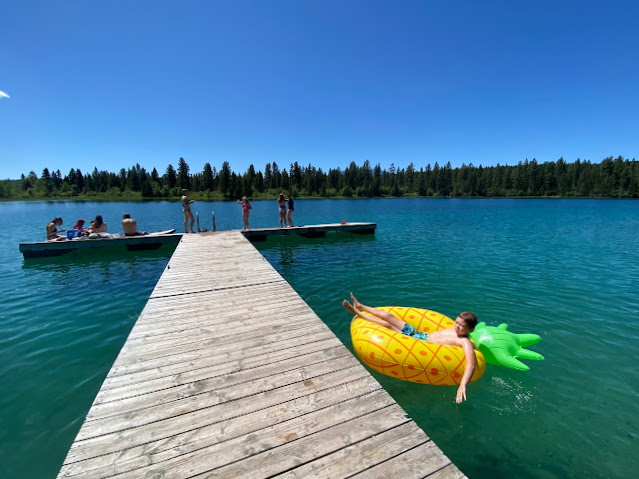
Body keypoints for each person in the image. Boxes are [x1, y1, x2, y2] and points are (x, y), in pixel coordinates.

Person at [343, 293, 478, 404]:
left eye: (461, 326)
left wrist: (462, 384)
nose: (456, 326)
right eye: (457, 322)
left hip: (418, 342)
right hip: (418, 334)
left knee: (386, 325)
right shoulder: (452, 329)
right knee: (389, 316)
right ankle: (361, 306)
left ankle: (356, 312)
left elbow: (470, 365)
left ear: (470, 329)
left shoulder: (464, 341)